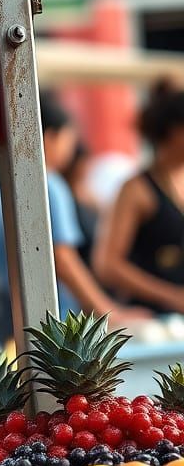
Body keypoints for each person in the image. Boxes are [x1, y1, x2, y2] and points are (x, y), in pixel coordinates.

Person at [0, 93, 145, 338]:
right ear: (50, 137)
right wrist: (110, 312)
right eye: (69, 139)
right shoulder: (50, 184)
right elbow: (64, 259)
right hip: (55, 321)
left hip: (8, 314)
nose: (71, 149)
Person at [93, 81, 184, 314]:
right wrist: (171, 296)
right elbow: (107, 264)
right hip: (152, 319)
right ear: (176, 132)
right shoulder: (137, 189)